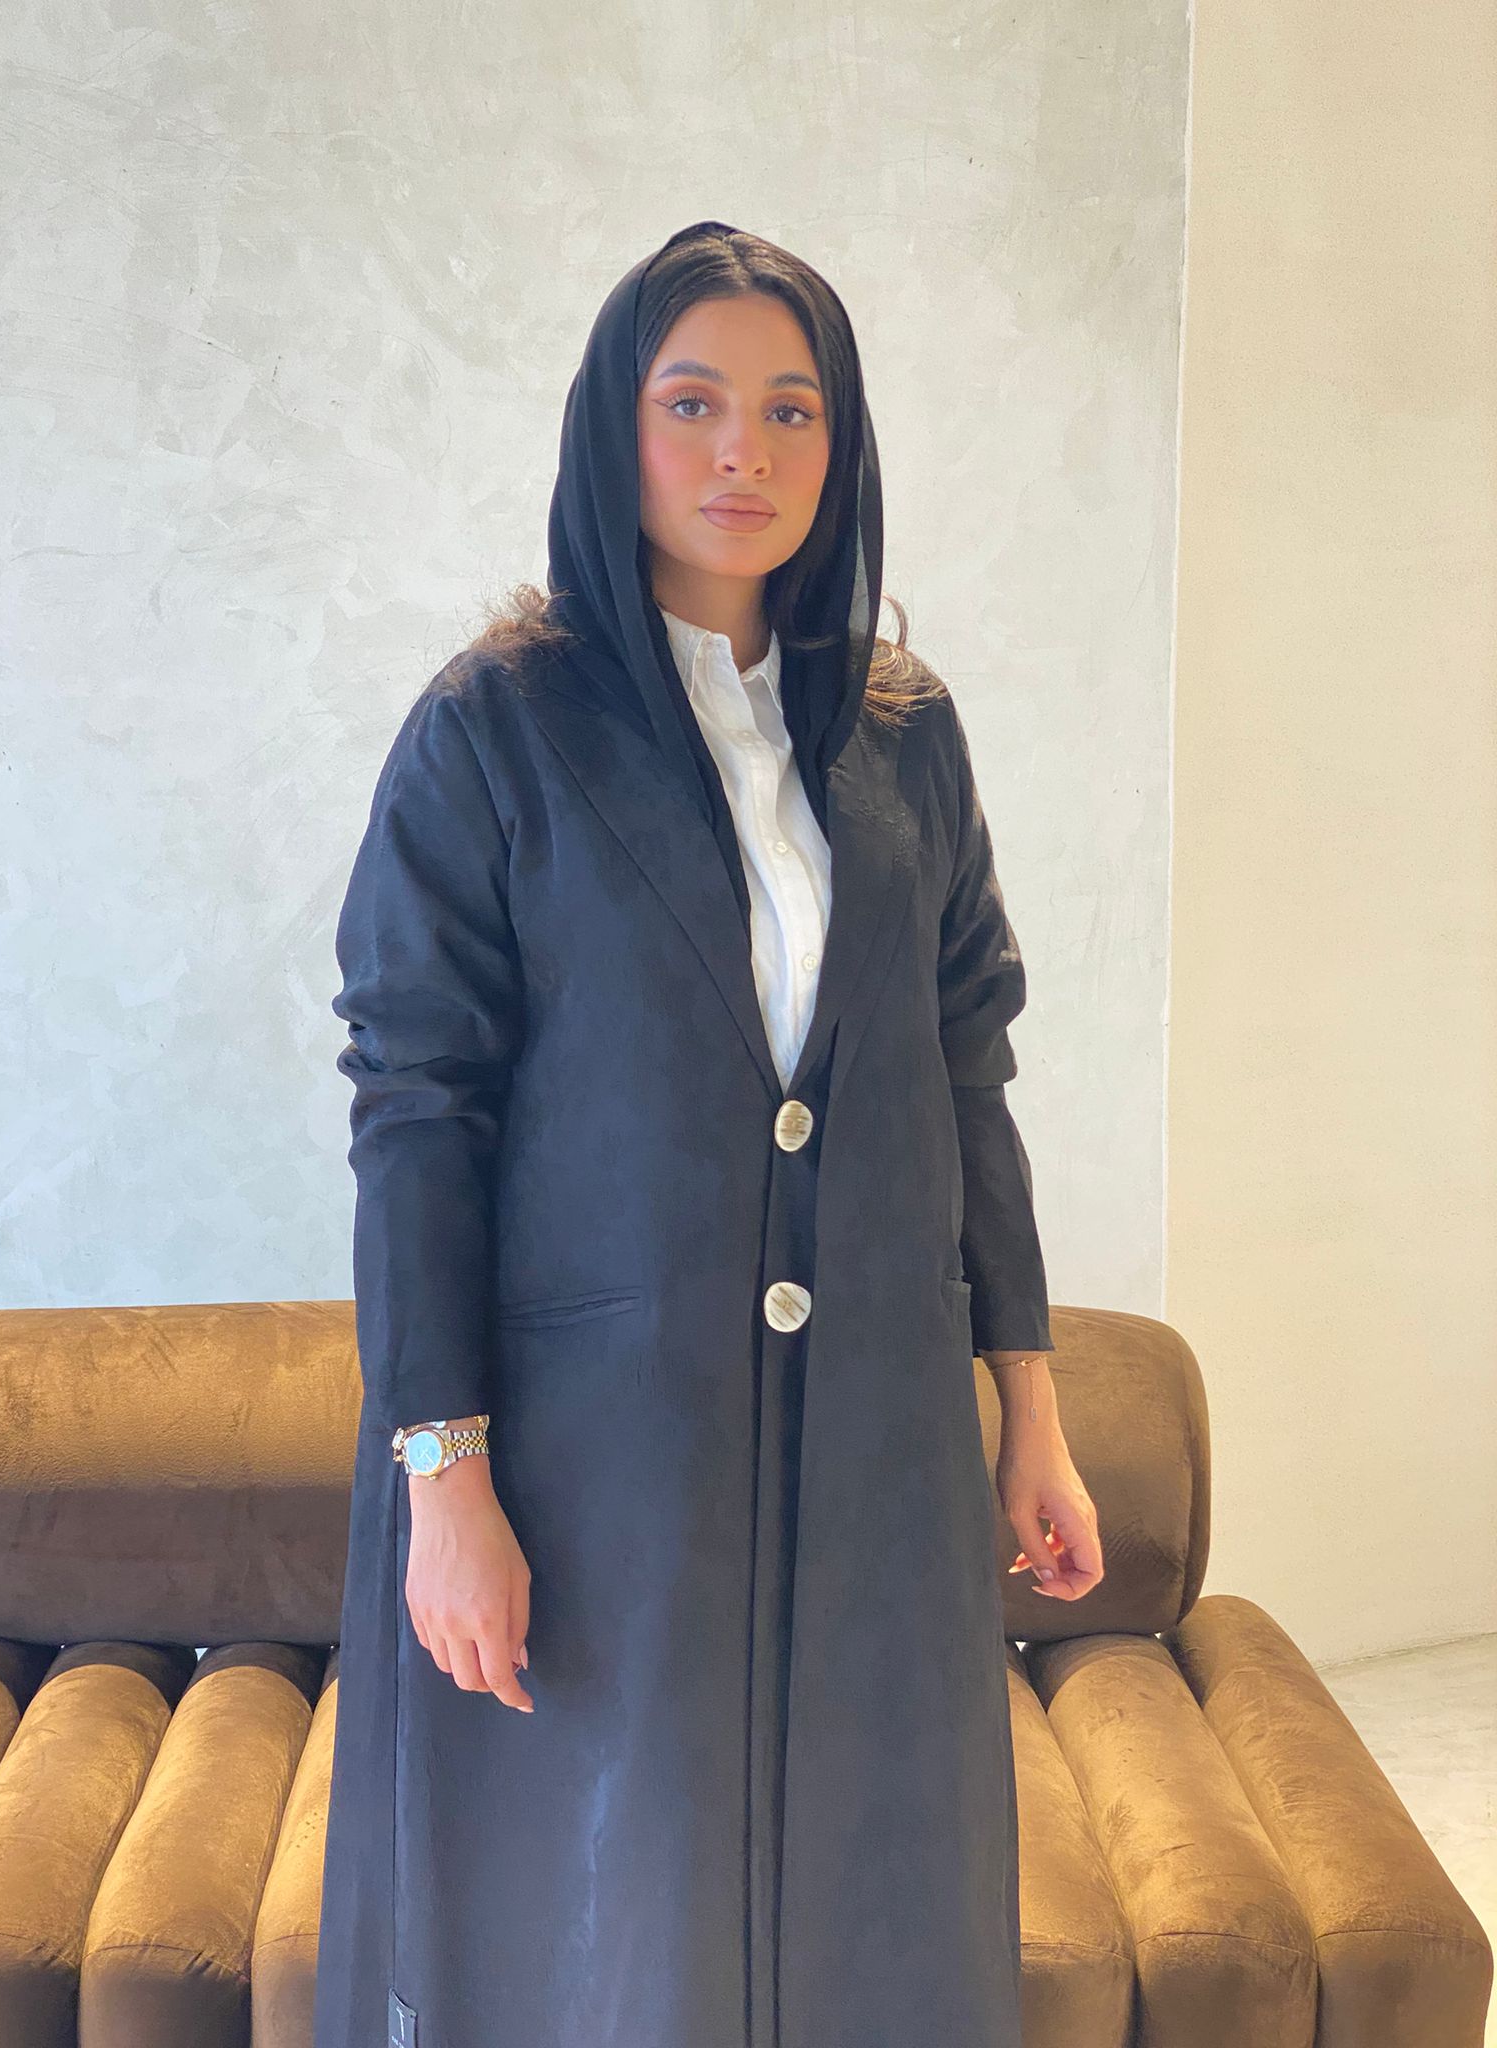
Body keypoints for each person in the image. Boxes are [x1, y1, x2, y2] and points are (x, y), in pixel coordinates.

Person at [315, 218, 1103, 2048]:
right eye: (693, 404)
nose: (744, 451)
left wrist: (1030, 1405)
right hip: (597, 1470)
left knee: (874, 1912)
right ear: (618, 427)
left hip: (880, 1450)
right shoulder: (494, 733)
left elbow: (966, 1071)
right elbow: (417, 1113)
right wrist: (445, 1481)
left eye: (791, 409)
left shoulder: (905, 737)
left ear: (842, 445)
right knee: (607, 1938)